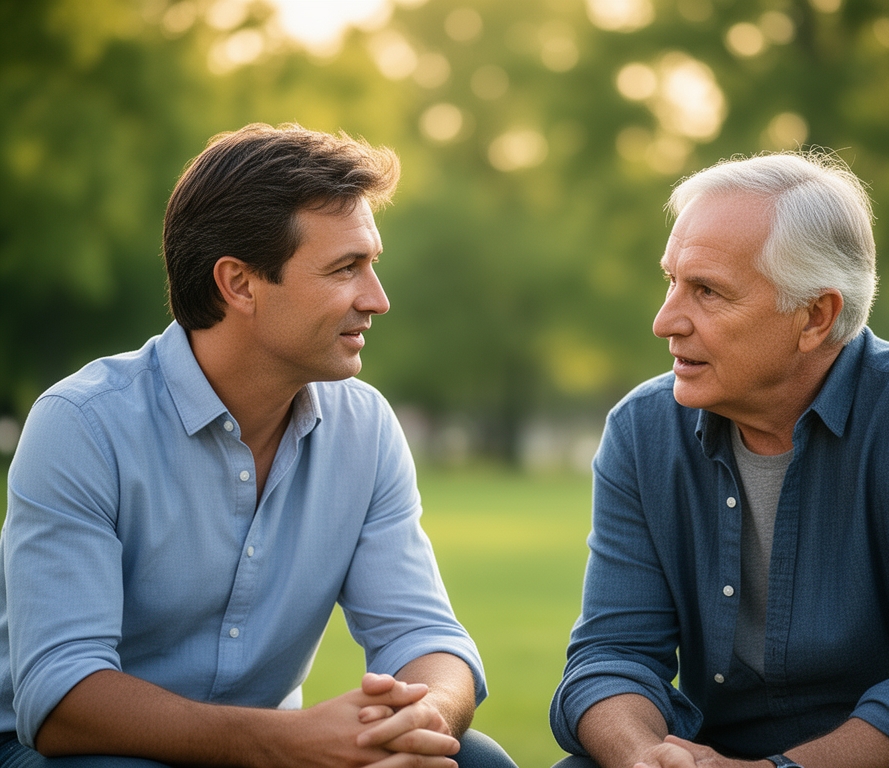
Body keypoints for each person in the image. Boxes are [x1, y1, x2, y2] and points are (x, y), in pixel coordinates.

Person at [0, 123, 516, 768]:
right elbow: (61, 699)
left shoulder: (366, 427)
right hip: (78, 755)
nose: (377, 300)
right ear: (239, 283)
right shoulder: (82, 425)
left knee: (473, 760)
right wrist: (288, 742)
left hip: (264, 752)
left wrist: (418, 721)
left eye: (372, 265)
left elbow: (425, 635)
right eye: (344, 269)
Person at [549, 150, 889, 768]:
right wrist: (645, 756)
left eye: (708, 292)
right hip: (711, 755)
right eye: (671, 280)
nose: (666, 319)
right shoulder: (642, 429)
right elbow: (609, 656)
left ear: (815, 316)